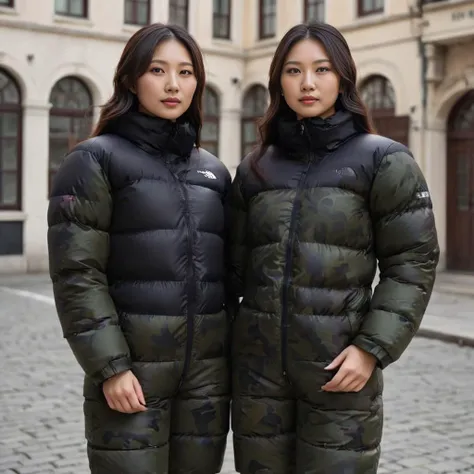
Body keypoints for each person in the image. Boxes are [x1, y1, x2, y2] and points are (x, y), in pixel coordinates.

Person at [228, 22, 439, 474]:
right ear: (277, 82)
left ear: (343, 78)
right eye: (293, 70)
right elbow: (233, 269)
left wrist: (371, 348)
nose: (307, 83)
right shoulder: (254, 169)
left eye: (322, 69)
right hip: (259, 380)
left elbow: (412, 263)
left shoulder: (383, 160)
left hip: (340, 376)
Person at [48, 23, 231, 474]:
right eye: (158, 69)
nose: (173, 84)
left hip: (205, 385)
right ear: (131, 79)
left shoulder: (212, 172)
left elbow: (233, 275)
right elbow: (77, 274)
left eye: (186, 72)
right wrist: (110, 366)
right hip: (131, 377)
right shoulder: (94, 160)